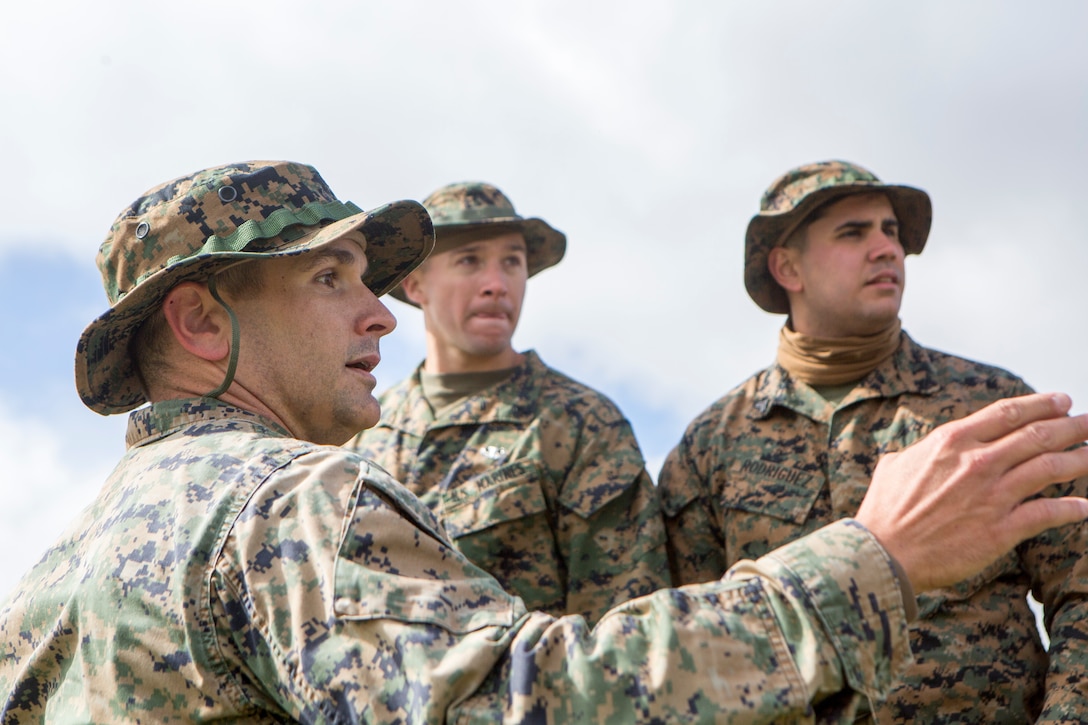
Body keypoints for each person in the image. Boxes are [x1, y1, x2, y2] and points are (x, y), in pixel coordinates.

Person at [1, 161, 1087, 724]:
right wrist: (874, 559)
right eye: (331, 279)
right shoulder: (290, 498)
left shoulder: (58, 568)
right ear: (198, 322)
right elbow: (530, 699)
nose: (375, 312)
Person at [658, 159, 1088, 722]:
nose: (887, 249)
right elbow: (691, 641)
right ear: (788, 267)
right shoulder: (711, 446)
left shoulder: (988, 406)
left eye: (891, 231)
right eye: (853, 233)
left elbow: (1080, 590)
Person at [344, 181, 668, 625]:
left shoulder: (580, 424)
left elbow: (630, 627)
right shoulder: (361, 429)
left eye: (512, 263)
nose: (497, 284)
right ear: (416, 284)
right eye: (470, 261)